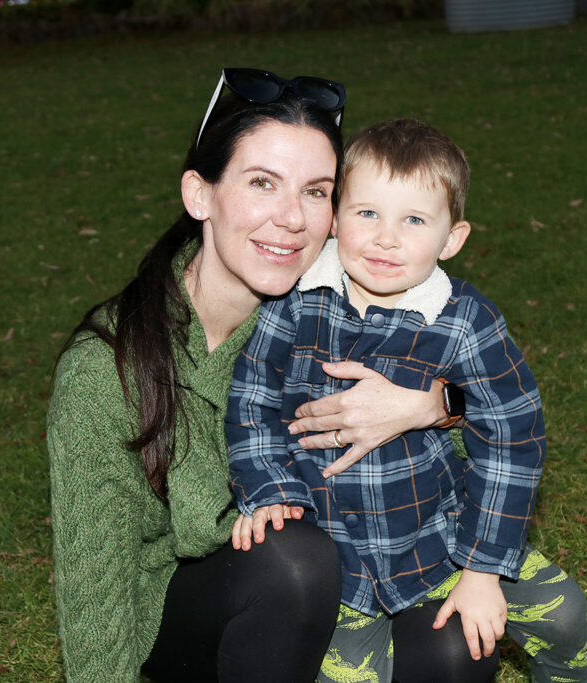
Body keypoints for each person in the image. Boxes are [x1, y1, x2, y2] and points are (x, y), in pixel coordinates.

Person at [47, 70, 461, 682]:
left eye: (317, 191)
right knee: (292, 558)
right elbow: (94, 581)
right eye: (262, 183)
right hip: (185, 617)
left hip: (346, 583)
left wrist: (432, 404)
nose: (292, 218)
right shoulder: (108, 368)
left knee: (455, 646)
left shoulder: (346, 308)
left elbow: (480, 429)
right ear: (199, 194)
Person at [226, 119, 587, 683]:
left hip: (439, 538)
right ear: (336, 217)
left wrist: (481, 569)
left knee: (564, 614)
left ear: (452, 239)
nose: (385, 238)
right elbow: (252, 400)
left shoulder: (467, 321)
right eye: (367, 213)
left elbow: (512, 439)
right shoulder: (294, 303)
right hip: (335, 557)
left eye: (414, 220)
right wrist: (270, 488)